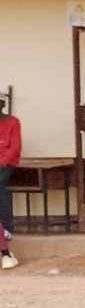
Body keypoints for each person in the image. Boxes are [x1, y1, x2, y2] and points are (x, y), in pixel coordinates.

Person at [0, 95, 18, 269]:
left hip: (7, 162)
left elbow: (15, 147)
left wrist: (2, 162)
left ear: (3, 104)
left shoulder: (13, 122)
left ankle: (6, 227)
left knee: (1, 187)